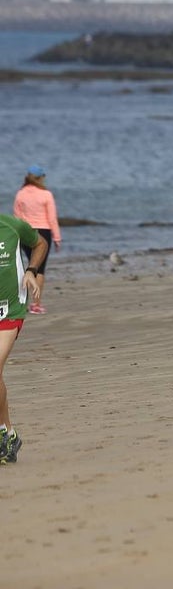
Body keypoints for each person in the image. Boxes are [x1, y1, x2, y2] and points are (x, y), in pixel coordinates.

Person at [0, 213, 48, 465]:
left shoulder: (12, 225)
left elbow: (40, 243)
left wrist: (31, 270)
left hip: (11, 309)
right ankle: (9, 434)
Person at [12, 165, 61, 315]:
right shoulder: (46, 194)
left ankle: (22, 301)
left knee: (29, 265)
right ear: (40, 178)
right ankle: (36, 304)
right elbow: (52, 218)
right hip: (43, 232)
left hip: (26, 231)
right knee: (39, 268)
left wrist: (16, 236)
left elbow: (16, 218)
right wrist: (57, 237)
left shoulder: (21, 194)